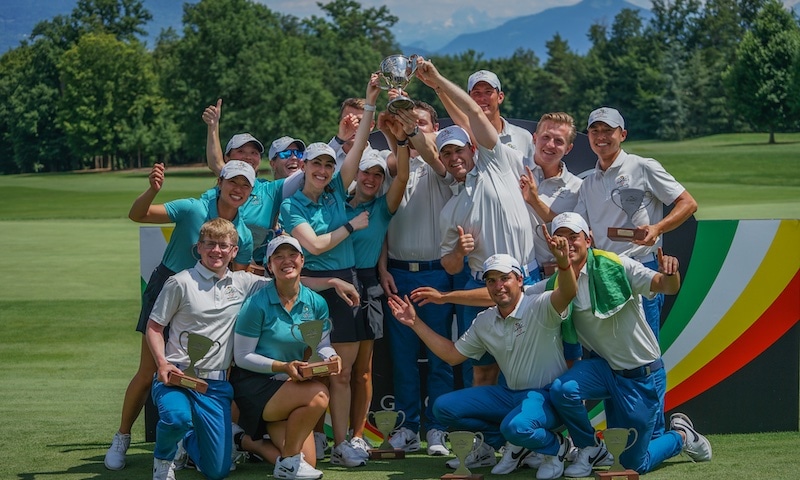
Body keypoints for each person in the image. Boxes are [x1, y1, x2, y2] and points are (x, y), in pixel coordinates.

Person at [387, 228, 578, 480]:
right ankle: (505, 445)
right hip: (511, 396)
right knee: (443, 407)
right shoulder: (484, 320)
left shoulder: (540, 304)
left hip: (547, 399)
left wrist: (563, 264)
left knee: (515, 426)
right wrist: (415, 323)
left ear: (519, 280)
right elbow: (453, 356)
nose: (498, 286)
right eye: (491, 281)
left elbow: (567, 293)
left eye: (504, 278)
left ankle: (557, 448)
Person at [103, 161, 255, 471]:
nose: (237, 190)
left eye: (245, 185)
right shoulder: (192, 207)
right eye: (232, 182)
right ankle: (122, 436)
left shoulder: (244, 233)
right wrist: (152, 191)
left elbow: (236, 283)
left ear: (251, 192)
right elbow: (138, 215)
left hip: (206, 301)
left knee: (206, 370)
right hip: (170, 286)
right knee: (150, 370)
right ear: (220, 181)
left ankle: (191, 441)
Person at [540, 212, 711, 477]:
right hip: (605, 370)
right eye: (560, 238)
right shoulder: (556, 285)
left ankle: (682, 437)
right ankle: (590, 447)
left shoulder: (618, 264)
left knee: (635, 464)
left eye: (573, 237)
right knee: (563, 390)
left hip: (640, 375)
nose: (567, 244)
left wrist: (671, 274)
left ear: (589, 239)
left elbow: (665, 285)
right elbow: (519, 296)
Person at [415, 58, 539, 388]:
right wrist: (458, 250)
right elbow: (450, 265)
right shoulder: (451, 209)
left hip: (528, 278)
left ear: (473, 149)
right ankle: (486, 437)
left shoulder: (496, 161)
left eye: (460, 151)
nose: (455, 158)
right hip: (481, 286)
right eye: (447, 154)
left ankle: (532, 435)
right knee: (482, 369)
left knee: (532, 362)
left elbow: (473, 114)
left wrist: (438, 82)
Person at [280, 74, 380, 468]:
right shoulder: (293, 207)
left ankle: (341, 443)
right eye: (316, 164)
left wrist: (370, 102)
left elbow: (357, 146)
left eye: (327, 164)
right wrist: (352, 226)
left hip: (348, 285)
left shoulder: (339, 188)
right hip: (313, 292)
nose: (323, 170)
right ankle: (311, 438)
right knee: (312, 370)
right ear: (303, 167)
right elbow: (316, 246)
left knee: (342, 373)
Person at [146, 218, 266, 480]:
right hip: (177, 376)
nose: (217, 251)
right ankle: (163, 460)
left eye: (224, 246)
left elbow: (286, 283)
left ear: (234, 251)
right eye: (210, 244)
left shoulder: (243, 283)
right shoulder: (180, 282)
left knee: (217, 471)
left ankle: (187, 441)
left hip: (216, 385)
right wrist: (162, 364)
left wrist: (336, 282)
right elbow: (154, 327)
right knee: (177, 418)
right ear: (198, 247)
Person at [376, 102, 457, 456]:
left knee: (439, 358)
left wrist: (406, 132)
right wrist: (381, 269)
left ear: (435, 128)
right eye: (407, 123)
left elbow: (424, 149)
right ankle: (408, 427)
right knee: (403, 357)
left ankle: (437, 427)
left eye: (420, 123)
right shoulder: (389, 166)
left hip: (435, 273)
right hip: (396, 273)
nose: (413, 128)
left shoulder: (444, 168)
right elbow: (379, 226)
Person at [575, 106, 698, 341]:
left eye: (608, 130)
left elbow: (688, 203)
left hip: (642, 268)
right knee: (614, 349)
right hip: (606, 272)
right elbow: (582, 228)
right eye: (595, 131)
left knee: (647, 352)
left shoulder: (642, 166)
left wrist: (657, 228)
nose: (601, 137)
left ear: (622, 135)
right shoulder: (588, 184)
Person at [232, 235, 342, 480]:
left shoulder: (316, 302)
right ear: (269, 266)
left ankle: (248, 442)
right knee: (319, 395)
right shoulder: (256, 304)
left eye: (292, 255)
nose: (286, 261)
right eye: (278, 257)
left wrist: (332, 357)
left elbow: (322, 345)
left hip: (290, 386)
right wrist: (282, 366)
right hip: (255, 385)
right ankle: (289, 461)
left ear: (302, 260)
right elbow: (241, 357)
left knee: (309, 462)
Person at [202, 99, 304, 266]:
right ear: (227, 158)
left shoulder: (269, 190)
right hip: (216, 264)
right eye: (241, 151)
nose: (248, 157)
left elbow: (311, 172)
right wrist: (213, 126)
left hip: (256, 269)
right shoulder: (219, 189)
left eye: (254, 152)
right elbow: (215, 163)